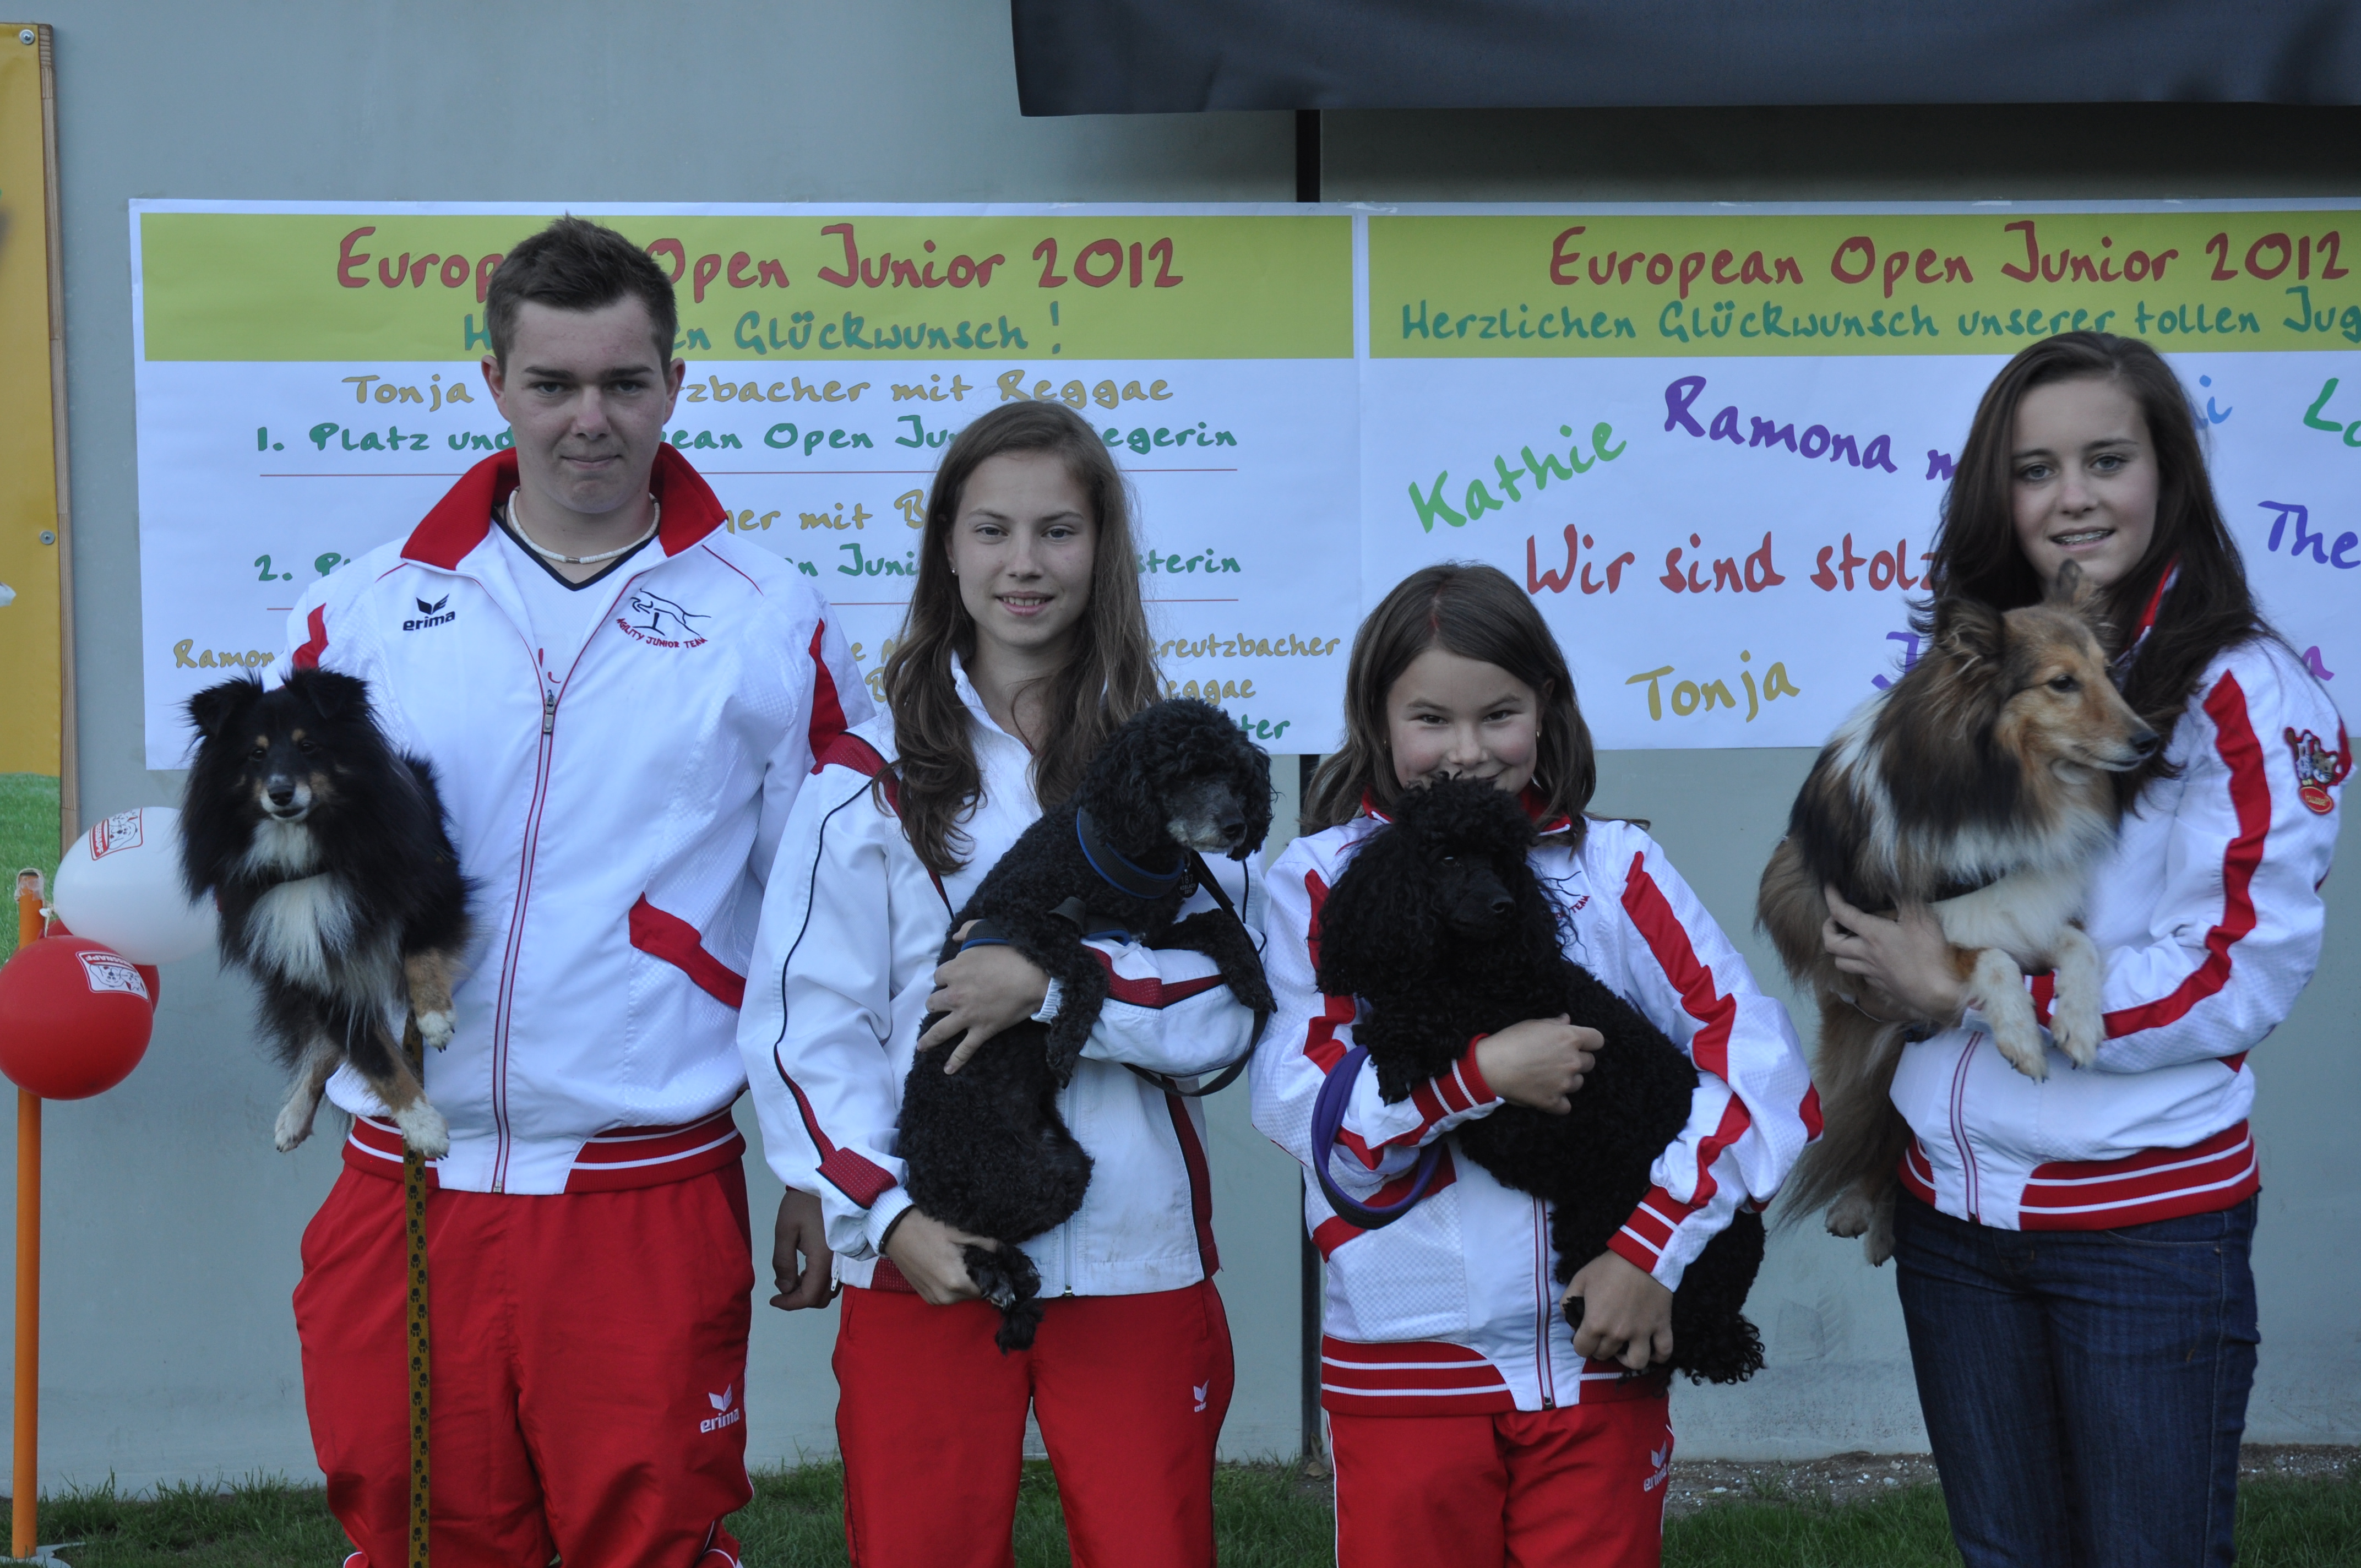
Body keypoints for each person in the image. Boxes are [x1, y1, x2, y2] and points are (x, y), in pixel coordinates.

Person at [279, 216, 872, 1568]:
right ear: (495, 383)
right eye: (551, 383)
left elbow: (828, 909)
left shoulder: (768, 612)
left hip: (638, 1183)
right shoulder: (365, 609)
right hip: (409, 1175)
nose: (588, 419)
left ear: (674, 384)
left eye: (622, 382)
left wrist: (814, 1157)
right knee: (413, 1530)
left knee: (648, 1537)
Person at [1819, 331, 2344, 1567]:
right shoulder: (1979, 666)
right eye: (2035, 468)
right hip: (1953, 1216)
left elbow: (2236, 971)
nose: (2072, 497)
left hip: (2140, 1228)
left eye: (2106, 460)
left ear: (2168, 472)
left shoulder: (2244, 687)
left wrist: (1957, 992)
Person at [736, 400, 1266, 1567]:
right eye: (992, 530)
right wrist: (886, 1217)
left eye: (1057, 531)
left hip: (1133, 1254)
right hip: (928, 1247)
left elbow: (1234, 1009)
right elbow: (802, 1031)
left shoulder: (1175, 764)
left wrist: (1054, 986)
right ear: (947, 548)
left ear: (1103, 548)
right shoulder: (865, 778)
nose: (1024, 562)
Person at [1250, 563, 1818, 1568]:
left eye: (1500, 715)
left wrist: (1649, 1253)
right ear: (1377, 719)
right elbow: (1312, 1112)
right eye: (1432, 719)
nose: (1468, 753)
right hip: (1406, 1363)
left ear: (1546, 709)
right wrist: (1477, 1078)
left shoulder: (1615, 868)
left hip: (1604, 1340)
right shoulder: (1321, 880)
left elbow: (1762, 1073)